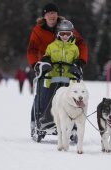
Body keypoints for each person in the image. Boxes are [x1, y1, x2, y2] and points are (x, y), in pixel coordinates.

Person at [27, 3, 88, 140]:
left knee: (68, 96)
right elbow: (32, 49)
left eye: (54, 13)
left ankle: (71, 126)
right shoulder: (38, 30)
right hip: (46, 65)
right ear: (44, 16)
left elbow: (80, 43)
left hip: (67, 67)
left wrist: (80, 61)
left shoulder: (65, 26)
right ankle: (36, 122)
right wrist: (36, 65)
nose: (52, 15)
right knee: (42, 96)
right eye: (49, 13)